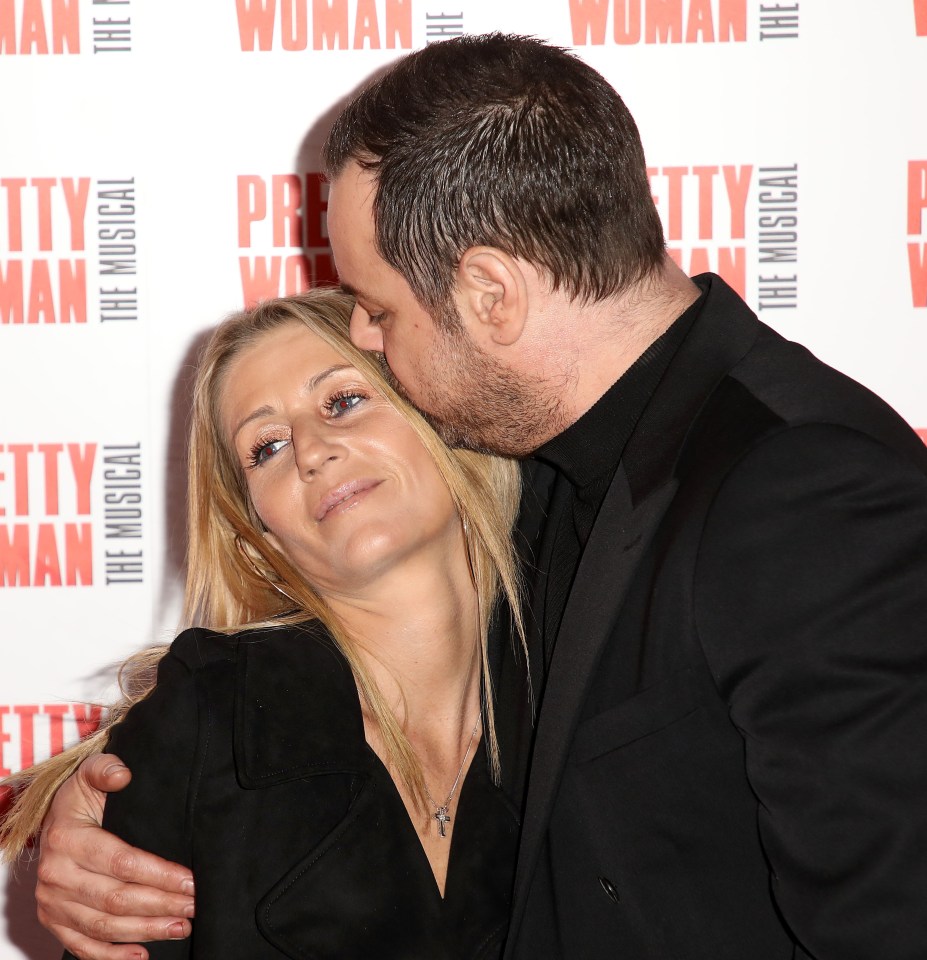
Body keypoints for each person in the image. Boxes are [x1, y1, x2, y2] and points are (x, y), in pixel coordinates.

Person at [26, 33, 927, 960]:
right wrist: (89, 823)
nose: (368, 338)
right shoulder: (554, 484)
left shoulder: (800, 487)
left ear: (490, 292)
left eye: (376, 307)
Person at [1, 289, 528, 958]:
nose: (310, 450)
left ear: (441, 417)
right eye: (266, 446)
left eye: (343, 401)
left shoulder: (585, 673)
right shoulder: (207, 726)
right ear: (259, 537)